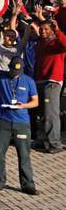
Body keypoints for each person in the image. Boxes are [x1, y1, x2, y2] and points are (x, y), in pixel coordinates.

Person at [0, 55, 39, 195]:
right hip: (3, 121)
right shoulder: (2, 76)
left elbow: (35, 102)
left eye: (17, 73)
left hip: (21, 122)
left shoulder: (29, 81)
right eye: (13, 71)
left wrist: (23, 105)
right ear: (9, 68)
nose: (15, 75)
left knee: (24, 154)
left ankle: (27, 184)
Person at [32, 17, 66, 153]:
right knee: (42, 114)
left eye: (46, 29)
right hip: (39, 81)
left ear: (52, 30)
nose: (43, 31)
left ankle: (55, 143)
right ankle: (45, 140)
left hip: (52, 81)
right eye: (41, 29)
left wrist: (58, 31)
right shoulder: (40, 44)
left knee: (51, 113)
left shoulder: (58, 42)